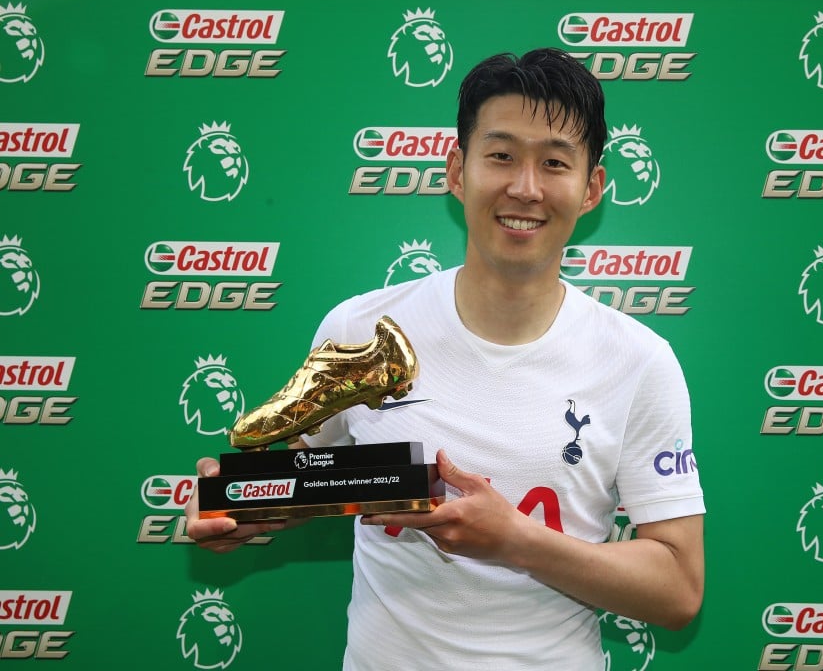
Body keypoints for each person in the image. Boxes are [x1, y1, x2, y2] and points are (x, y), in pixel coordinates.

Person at [186, 47, 705, 670]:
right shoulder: (362, 331)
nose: (525, 187)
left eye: (555, 163)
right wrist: (239, 507)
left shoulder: (639, 360)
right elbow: (306, 479)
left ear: (591, 187)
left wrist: (515, 541)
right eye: (502, 156)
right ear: (457, 170)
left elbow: (678, 587)